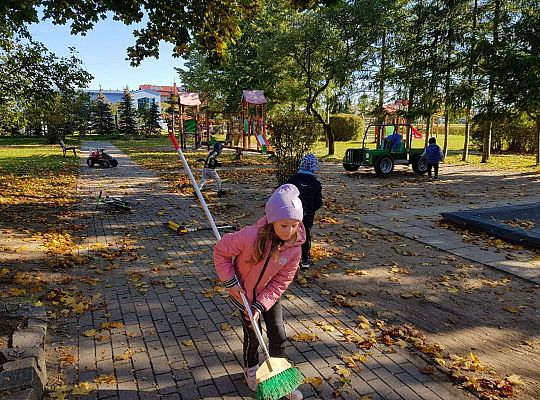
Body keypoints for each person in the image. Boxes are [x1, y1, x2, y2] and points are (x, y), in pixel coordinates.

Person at [214, 184, 305, 400]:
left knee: (278, 334)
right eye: (284, 225)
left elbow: (282, 281)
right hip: (242, 293)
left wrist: (260, 305)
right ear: (272, 220)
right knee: (254, 335)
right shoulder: (249, 236)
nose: (289, 231)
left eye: (295, 225)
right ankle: (251, 368)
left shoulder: (295, 248)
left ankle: (279, 375)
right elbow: (220, 252)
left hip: (268, 295)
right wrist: (229, 281)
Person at [286, 154, 323, 270]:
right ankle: (305, 259)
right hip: (307, 215)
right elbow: (318, 202)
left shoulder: (292, 179)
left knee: (288, 234)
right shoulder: (316, 184)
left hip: (291, 213)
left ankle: (287, 258)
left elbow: (285, 194)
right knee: (305, 236)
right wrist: (311, 209)